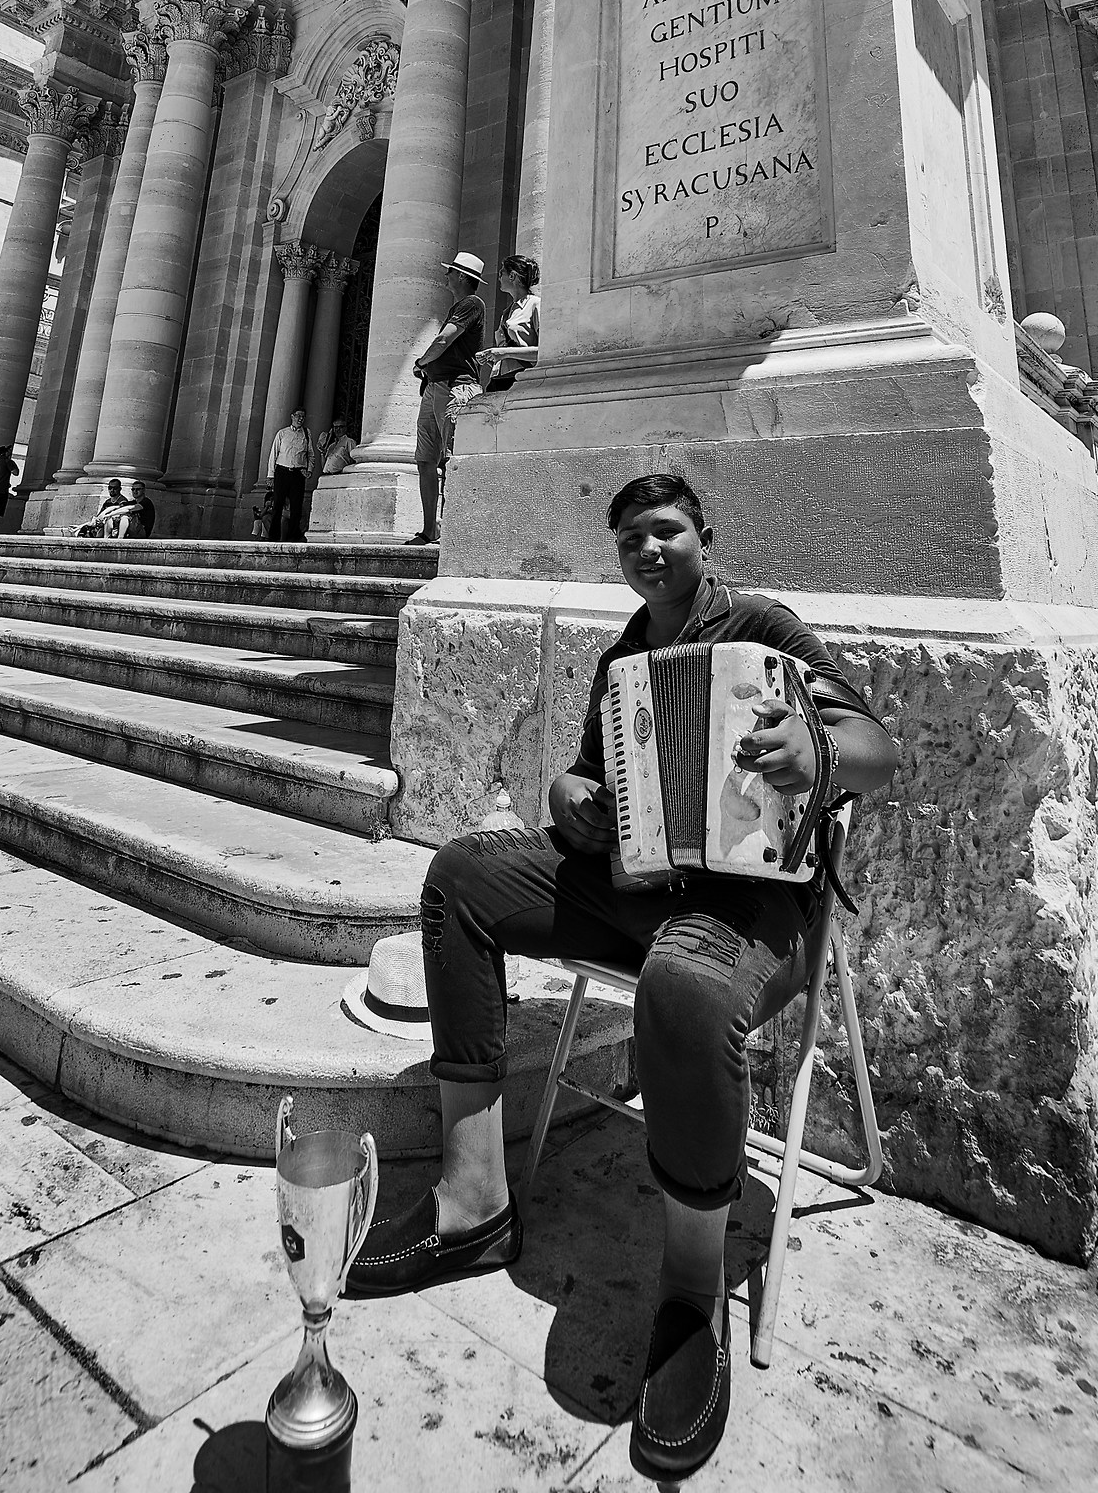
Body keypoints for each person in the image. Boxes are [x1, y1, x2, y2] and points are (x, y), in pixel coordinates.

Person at [346, 471, 899, 1478]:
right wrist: (568, 795)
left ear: (702, 536)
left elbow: (877, 749)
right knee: (461, 877)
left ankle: (690, 1296)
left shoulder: (762, 629)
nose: (648, 550)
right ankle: (473, 1204)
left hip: (747, 907)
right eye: (630, 538)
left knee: (680, 988)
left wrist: (813, 746)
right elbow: (589, 782)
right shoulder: (625, 657)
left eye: (665, 530)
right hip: (637, 889)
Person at [410, 251, 485, 546]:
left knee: (452, 460)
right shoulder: (460, 306)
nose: (446, 275)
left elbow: (443, 340)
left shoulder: (471, 304)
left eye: (451, 271)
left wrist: (421, 362)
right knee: (425, 460)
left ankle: (453, 532)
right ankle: (431, 529)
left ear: (462, 276)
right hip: (435, 388)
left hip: (455, 388)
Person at [486, 254, 539, 390]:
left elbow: (545, 352)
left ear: (512, 276)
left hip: (520, 379)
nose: (499, 278)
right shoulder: (507, 312)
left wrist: (505, 353)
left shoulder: (535, 305)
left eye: (501, 273)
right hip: (498, 380)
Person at [266, 407, 311, 540]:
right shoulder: (282, 433)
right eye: (298, 416)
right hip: (282, 471)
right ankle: (273, 536)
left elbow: (310, 454)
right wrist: (270, 475)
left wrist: (309, 469)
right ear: (292, 416)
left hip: (298, 473)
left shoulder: (306, 433)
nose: (300, 419)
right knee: (278, 504)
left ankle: (293, 536)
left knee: (296, 506)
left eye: (303, 416)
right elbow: (273, 454)